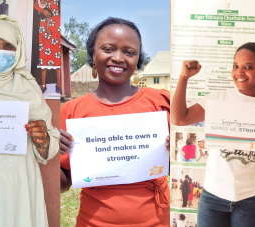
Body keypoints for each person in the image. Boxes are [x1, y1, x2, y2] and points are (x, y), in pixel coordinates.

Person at [59, 17, 171, 226]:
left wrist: (177, 150)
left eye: (129, 52)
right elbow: (63, 183)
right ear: (93, 54)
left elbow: (184, 165)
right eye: (108, 49)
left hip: (157, 221)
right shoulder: (71, 112)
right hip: (93, 222)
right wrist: (48, 153)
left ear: (138, 59)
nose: (118, 58)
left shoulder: (162, 103)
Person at [171, 42, 255, 227]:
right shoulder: (217, 100)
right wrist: (184, 77)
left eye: (248, 67)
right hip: (213, 196)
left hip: (252, 198)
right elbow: (179, 118)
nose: (239, 72)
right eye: (236, 66)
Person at [0, 15, 59, 227]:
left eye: (8, 45)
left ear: (17, 51)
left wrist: (42, 139)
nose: (0, 51)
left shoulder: (30, 89)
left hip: (19, 188)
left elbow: (51, 144)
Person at [33, 0, 61, 94]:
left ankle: (58, 84)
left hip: (56, 24)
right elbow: (36, 5)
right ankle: (43, 84)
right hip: (43, 26)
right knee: (44, 55)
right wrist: (42, 11)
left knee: (57, 55)